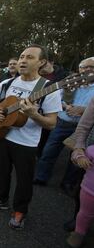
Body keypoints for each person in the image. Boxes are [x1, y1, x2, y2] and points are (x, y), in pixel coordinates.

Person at [0, 44, 62, 230]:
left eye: (30, 57)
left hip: (27, 143)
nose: (23, 60)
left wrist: (34, 114)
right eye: (21, 56)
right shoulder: (9, 82)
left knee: (24, 180)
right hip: (4, 135)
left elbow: (51, 123)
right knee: (1, 171)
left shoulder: (49, 88)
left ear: (41, 62)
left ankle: (20, 211)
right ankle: (0, 198)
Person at [34, 58, 94, 187]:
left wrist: (84, 111)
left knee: (77, 155)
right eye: (85, 67)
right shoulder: (70, 82)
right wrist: (66, 107)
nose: (88, 70)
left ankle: (68, 184)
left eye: (92, 67)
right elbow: (55, 99)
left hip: (84, 127)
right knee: (49, 151)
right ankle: (41, 177)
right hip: (62, 122)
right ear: (79, 69)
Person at [67, 97, 94, 247]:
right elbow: (83, 126)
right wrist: (79, 148)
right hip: (90, 156)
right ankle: (79, 224)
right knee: (83, 193)